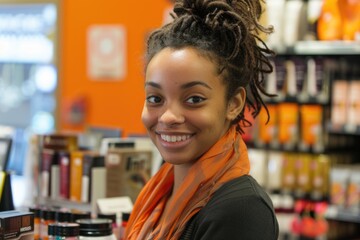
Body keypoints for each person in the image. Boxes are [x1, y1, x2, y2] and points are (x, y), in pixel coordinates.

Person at [125, 0, 279, 239]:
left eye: (194, 99)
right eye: (155, 98)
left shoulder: (242, 210)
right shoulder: (161, 188)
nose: (168, 117)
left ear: (234, 104)